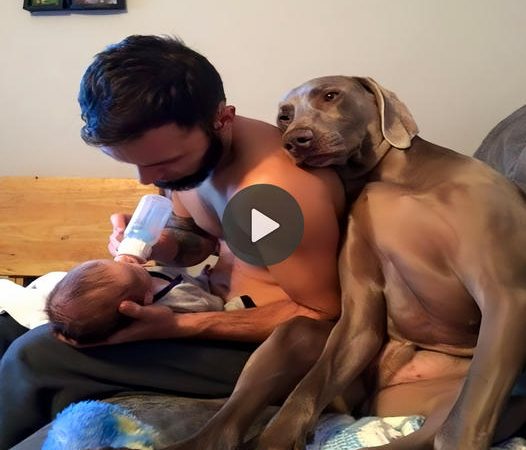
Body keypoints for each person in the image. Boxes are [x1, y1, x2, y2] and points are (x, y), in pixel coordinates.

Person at [0, 34, 345, 448]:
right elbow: (197, 240)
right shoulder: (192, 160)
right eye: (135, 163)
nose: (148, 179)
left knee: (38, 354)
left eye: (163, 162)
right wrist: (162, 244)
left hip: (272, 354)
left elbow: (324, 315)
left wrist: (181, 325)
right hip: (207, 306)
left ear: (222, 118)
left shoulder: (271, 198)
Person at [46, 259, 253, 345]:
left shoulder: (139, 283)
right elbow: (211, 307)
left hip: (199, 285)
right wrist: (208, 286)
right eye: (133, 270)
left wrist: (201, 276)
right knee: (237, 305)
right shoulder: (179, 300)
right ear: (145, 300)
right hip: (217, 308)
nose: (132, 263)